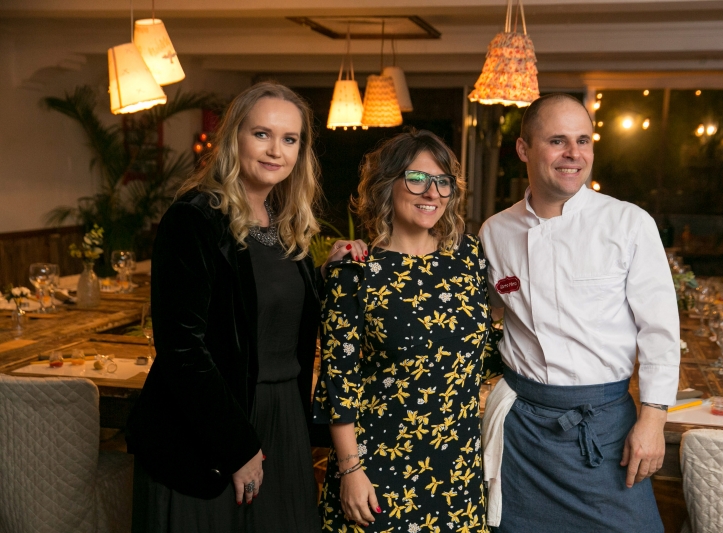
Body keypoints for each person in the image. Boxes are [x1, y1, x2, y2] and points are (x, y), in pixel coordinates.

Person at [125, 81, 360, 533]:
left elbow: (272, 314)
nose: (276, 150)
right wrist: (236, 447)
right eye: (262, 134)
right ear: (234, 137)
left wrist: (328, 274)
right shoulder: (194, 218)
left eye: (289, 139)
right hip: (212, 431)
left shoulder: (284, 223)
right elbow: (182, 349)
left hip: (284, 419)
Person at [479, 93, 680, 532]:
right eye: (557, 140)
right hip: (525, 433)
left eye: (583, 140)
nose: (574, 154)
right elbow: (476, 312)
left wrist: (653, 417)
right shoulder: (496, 231)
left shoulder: (628, 224)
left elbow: (660, 331)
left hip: (605, 426)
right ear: (523, 149)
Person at [313, 130, 502, 532]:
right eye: (417, 178)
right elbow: (338, 381)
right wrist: (350, 470)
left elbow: (484, 350)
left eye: (442, 181)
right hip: (376, 468)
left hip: (455, 470)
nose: (431, 192)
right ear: (387, 185)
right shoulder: (356, 269)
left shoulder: (469, 256)